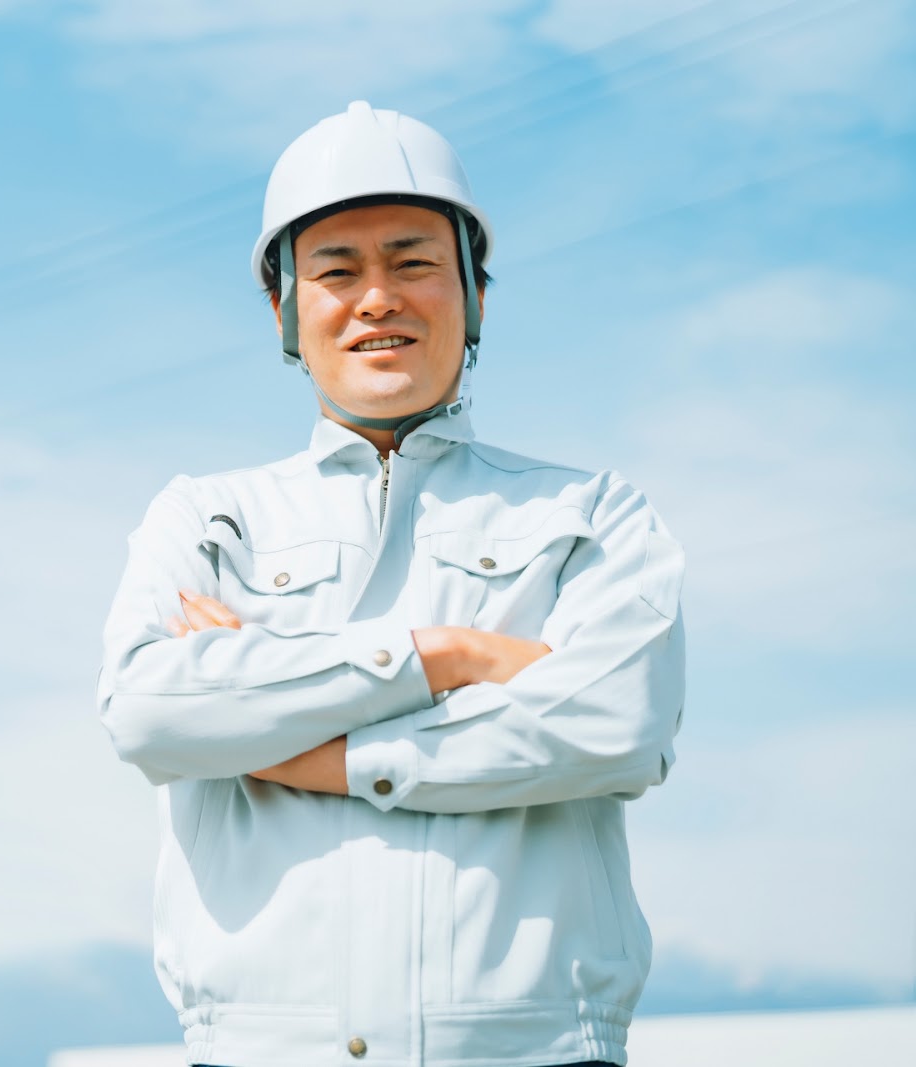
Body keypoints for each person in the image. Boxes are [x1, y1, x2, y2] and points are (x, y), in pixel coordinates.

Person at [96, 102, 686, 1067]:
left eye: (414, 262)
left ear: (475, 297)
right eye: (335, 271)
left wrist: (304, 744)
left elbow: (616, 725)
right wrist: (442, 655)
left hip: (535, 1051)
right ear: (286, 310)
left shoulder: (591, 513)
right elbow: (151, 716)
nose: (377, 299)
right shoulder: (205, 516)